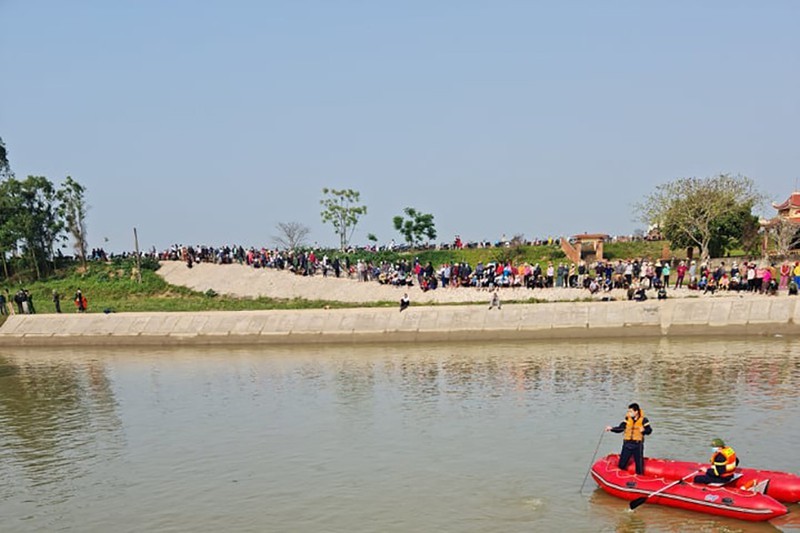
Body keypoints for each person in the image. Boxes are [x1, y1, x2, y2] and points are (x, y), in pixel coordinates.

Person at [606, 403, 652, 474]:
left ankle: (639, 477)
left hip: (637, 445)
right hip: (627, 444)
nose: (629, 413)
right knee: (622, 464)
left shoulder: (644, 420)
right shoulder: (627, 419)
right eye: (629, 411)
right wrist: (611, 429)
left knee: (639, 466)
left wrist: (644, 430)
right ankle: (620, 477)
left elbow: (649, 431)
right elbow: (621, 428)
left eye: (631, 411)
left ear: (636, 412)